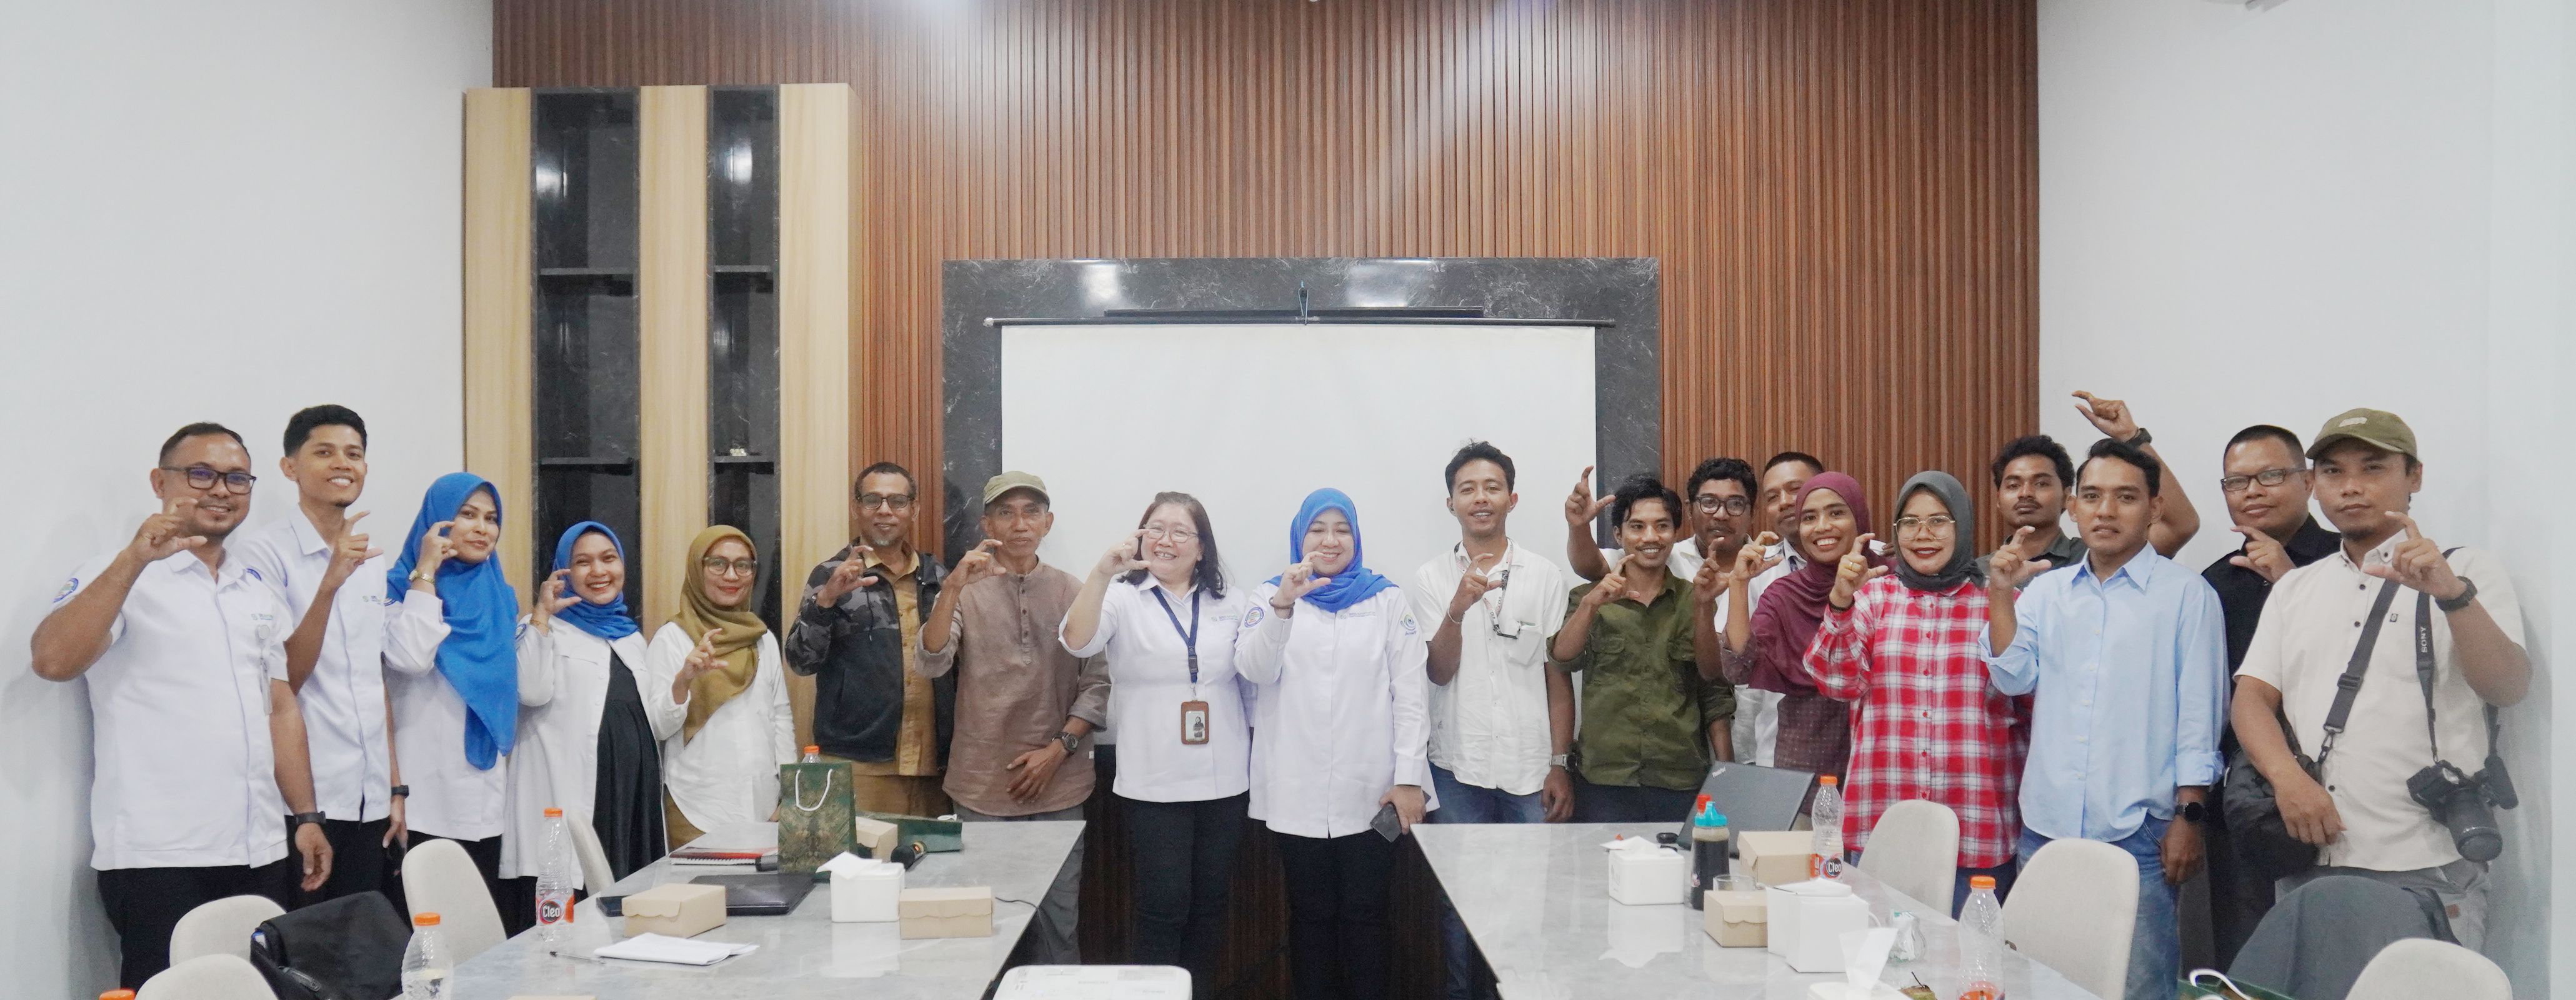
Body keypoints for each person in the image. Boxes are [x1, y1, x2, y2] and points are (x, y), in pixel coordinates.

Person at [31, 423, 331, 987]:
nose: (220, 489)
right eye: (201, 474)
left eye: (236, 478)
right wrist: (133, 560)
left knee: (260, 993)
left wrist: (306, 816)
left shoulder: (255, 589)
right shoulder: (117, 573)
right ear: (159, 482)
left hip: (259, 848)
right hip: (161, 855)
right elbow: (52, 660)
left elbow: (280, 706)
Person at [2232, 409, 2529, 950]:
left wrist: (2451, 595)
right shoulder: (2297, 588)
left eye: (2373, 468)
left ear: (2414, 476)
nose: (2351, 487)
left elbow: (2507, 687)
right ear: (2313, 484)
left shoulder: (2467, 571)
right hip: (2310, 856)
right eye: (2333, 471)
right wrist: (2288, 780)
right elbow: (2251, 697)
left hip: (2429, 865)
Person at [1983, 439, 2228, 1000]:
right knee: (2041, 979)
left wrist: (2189, 815)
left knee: (2136, 985)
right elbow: (2012, 677)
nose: (2106, 511)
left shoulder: (2187, 596)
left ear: (2155, 508)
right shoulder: (2045, 592)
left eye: (2126, 497)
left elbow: (2200, 717)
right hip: (2046, 824)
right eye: (2092, 496)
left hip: (2141, 829)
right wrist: (2000, 594)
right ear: (2073, 507)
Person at [1238, 488, 1432, 1000]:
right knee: (1311, 915)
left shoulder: (1386, 599)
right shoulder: (1270, 596)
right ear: (1299, 537)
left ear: (1356, 538)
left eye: (1342, 530)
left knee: (1368, 914)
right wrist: (1284, 605)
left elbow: (1411, 695)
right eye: (1318, 530)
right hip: (1295, 791)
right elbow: (1255, 670)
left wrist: (1409, 778)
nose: (1330, 540)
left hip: (1373, 793)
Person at [1804, 471, 2027, 912]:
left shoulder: (2001, 601)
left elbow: (2027, 696)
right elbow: (1838, 683)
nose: (1923, 535)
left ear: (1963, 526)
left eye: (1939, 521)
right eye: (1910, 523)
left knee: (1967, 954)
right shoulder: (1873, 598)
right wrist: (1841, 602)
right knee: (1879, 952)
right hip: (1882, 824)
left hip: (1976, 827)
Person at [1061, 492, 1253, 1000]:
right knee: (1164, 907)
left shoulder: (1232, 603)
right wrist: (1101, 573)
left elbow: (1252, 682)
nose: (1166, 540)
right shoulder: (1122, 598)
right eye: (1156, 529)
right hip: (1154, 783)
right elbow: (1077, 641)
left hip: (1225, 781)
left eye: (1180, 531)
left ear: (1201, 547)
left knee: (1210, 907)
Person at [916, 472, 1107, 966]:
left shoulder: (1072, 590)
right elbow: (932, 661)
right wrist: (952, 588)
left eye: (1031, 512)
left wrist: (1058, 751)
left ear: (1048, 522)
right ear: (987, 525)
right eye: (1006, 513)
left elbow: (1097, 684)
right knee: (986, 933)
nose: (1020, 524)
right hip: (982, 788)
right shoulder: (966, 589)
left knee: (1058, 928)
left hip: (1060, 786)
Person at [233, 406, 403, 906]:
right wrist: (329, 584)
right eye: (324, 452)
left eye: (354, 453)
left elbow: (373, 677)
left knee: (366, 940)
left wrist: (395, 787)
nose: (342, 464)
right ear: (290, 468)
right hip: (306, 800)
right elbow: (282, 678)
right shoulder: (262, 555)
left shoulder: (371, 558)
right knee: (305, 943)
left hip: (370, 797)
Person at [1419, 444, 1569, 999]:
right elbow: (1438, 671)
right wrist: (1456, 609)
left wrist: (1559, 762)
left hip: (1530, 768)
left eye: (1491, 487)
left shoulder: (1544, 576)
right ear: (1451, 503)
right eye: (1467, 489)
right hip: (1459, 768)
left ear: (1512, 498)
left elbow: (1557, 677)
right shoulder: (1431, 577)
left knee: (1530, 904)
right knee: (1459, 904)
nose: (1480, 498)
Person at [2197, 424, 2341, 964]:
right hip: (2245, 802)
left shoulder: (2348, 562)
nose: (2252, 491)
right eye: (2237, 481)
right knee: (2247, 956)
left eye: (2271, 475)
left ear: (2307, 481)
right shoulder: (2214, 582)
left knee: (2334, 953)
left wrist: (2290, 582)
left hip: (2338, 790)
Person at [382, 472, 524, 929]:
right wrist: (426, 572)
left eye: (491, 518)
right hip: (421, 797)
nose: (482, 528)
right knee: (423, 940)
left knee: (479, 938)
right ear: (437, 521)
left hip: (485, 797)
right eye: (467, 515)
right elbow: (411, 658)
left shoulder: (500, 598)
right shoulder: (395, 591)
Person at [1551, 476, 1733, 822]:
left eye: (1662, 526)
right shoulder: (1590, 597)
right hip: (1603, 779)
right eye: (1637, 526)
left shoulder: (1695, 597)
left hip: (1679, 778)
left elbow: (1713, 685)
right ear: (1618, 535)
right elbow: (1563, 658)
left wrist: (1726, 774)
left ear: (1675, 533)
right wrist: (1591, 605)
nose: (1650, 537)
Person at [1567, 457, 1767, 765]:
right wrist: (1579, 526)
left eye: (1736, 504)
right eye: (1709, 503)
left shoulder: (1772, 566)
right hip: (1678, 751)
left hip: (1763, 738)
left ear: (1752, 512)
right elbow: (1590, 566)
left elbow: (1712, 681)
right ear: (1690, 510)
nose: (1721, 514)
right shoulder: (1663, 556)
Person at [785, 461, 952, 817]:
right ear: (856, 508)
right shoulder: (831, 574)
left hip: (933, 763)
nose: (885, 511)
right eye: (873, 500)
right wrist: (826, 601)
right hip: (858, 762)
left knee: (931, 855)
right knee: (860, 854)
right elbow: (801, 662)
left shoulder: (937, 576)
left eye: (897, 501)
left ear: (914, 509)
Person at [505, 521, 665, 892]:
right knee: (572, 900)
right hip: (572, 795)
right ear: (564, 571)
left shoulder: (630, 637)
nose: (598, 571)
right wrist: (542, 615)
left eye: (609, 559)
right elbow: (530, 691)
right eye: (583, 562)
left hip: (628, 797)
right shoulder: (542, 627)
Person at [1722, 471, 1885, 781]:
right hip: (1806, 755)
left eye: (1836, 513)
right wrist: (1739, 583)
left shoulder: (1890, 580)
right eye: (1809, 518)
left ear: (1859, 518)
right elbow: (1739, 669)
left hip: (1881, 753)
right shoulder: (1786, 594)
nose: (1822, 526)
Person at [649, 525, 797, 846]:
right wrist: (684, 680)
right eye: (718, 564)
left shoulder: (763, 640)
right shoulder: (672, 638)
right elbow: (658, 728)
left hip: (763, 804)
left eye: (743, 565)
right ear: (697, 569)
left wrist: (790, 792)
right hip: (696, 808)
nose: (732, 575)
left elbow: (780, 717)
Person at [1980, 392, 2202, 584]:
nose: (2026, 493)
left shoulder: (2102, 552)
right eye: (2013, 485)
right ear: (1999, 499)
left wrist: (2131, 438)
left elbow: (2180, 525)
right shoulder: (1979, 572)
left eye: (2041, 483)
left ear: (2068, 499)